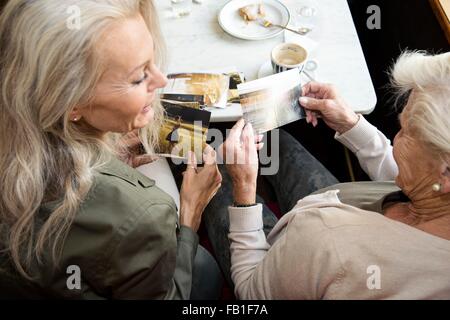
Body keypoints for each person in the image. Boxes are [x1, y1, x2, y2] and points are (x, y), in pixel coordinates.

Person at [0, 0, 223, 299]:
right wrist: (190, 214)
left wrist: (107, 154)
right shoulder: (145, 214)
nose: (161, 80)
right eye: (138, 76)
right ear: (72, 103)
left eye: (153, 61)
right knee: (204, 268)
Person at [204, 51, 450, 299]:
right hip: (326, 214)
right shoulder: (436, 191)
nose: (395, 139)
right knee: (278, 142)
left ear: (447, 173)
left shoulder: (330, 243)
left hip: (283, 260)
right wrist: (350, 123)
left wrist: (244, 189)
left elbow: (251, 294)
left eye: (406, 131)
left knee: (215, 168)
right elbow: (423, 180)